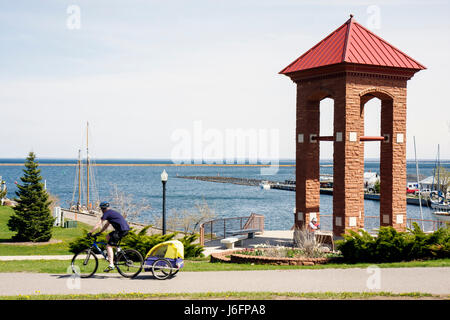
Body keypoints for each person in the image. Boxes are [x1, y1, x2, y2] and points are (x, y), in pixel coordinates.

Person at [88, 201, 130, 272]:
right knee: (108, 237)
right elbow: (106, 225)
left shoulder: (106, 213)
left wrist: (91, 232)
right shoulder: (110, 213)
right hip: (122, 229)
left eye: (101, 209)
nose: (101, 211)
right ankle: (117, 249)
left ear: (102, 209)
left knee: (108, 246)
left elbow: (99, 223)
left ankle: (111, 264)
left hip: (121, 230)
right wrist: (100, 232)